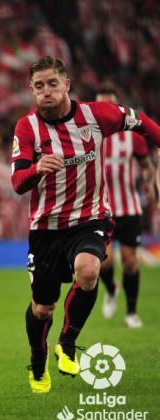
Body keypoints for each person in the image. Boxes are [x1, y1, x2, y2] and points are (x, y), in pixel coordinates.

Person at [11, 56, 160, 394]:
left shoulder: (96, 115)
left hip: (90, 217)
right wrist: (36, 169)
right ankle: (39, 358)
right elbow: (17, 182)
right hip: (46, 228)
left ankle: (68, 341)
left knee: (90, 270)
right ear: (31, 91)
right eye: (39, 86)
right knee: (41, 307)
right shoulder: (27, 128)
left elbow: (142, 123)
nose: (46, 91)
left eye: (52, 83)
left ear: (67, 84)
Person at [96, 88, 156, 328]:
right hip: (101, 209)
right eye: (102, 104)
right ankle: (111, 289)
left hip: (129, 207)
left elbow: (147, 165)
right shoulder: (89, 135)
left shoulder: (132, 136)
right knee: (103, 262)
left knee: (130, 261)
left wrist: (150, 184)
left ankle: (131, 312)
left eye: (111, 104)